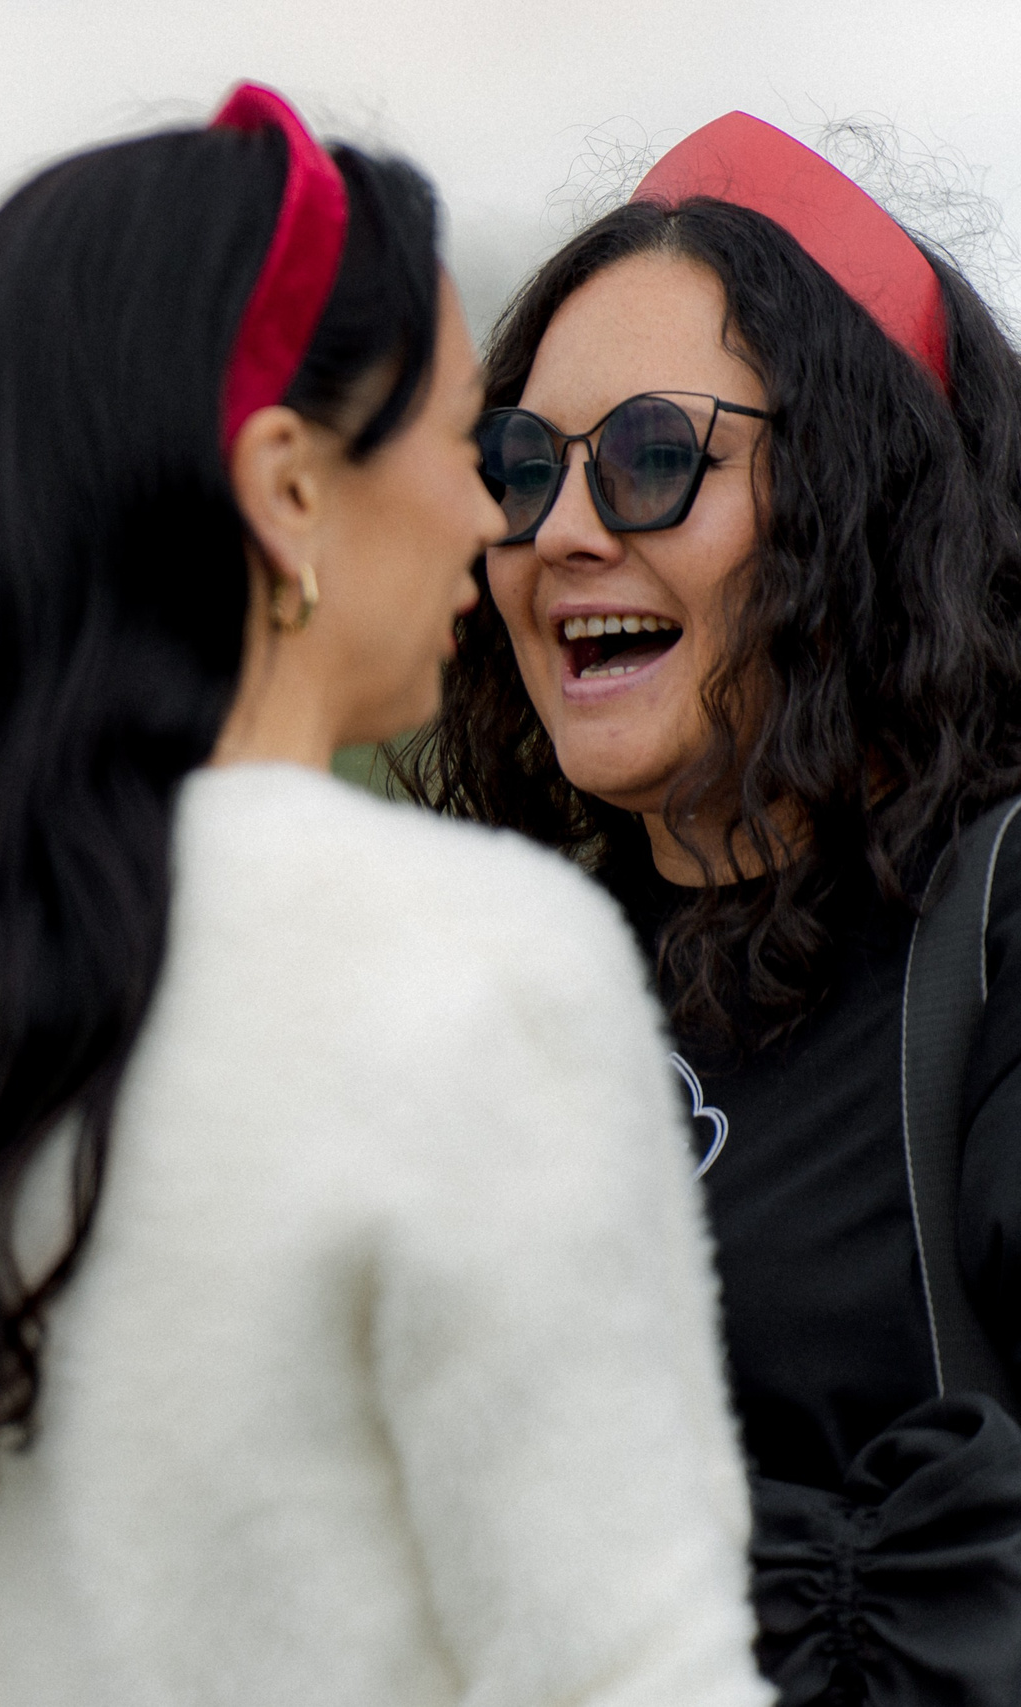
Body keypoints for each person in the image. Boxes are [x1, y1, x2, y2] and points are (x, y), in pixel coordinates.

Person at [0, 84, 770, 1707]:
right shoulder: (468, 967)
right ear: (287, 485)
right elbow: (630, 1674)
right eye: (468, 442)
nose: (498, 518)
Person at [407, 112, 1021, 1704]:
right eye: (521, 465)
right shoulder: (490, 975)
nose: (561, 530)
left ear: (860, 500)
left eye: (656, 457)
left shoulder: (999, 936)